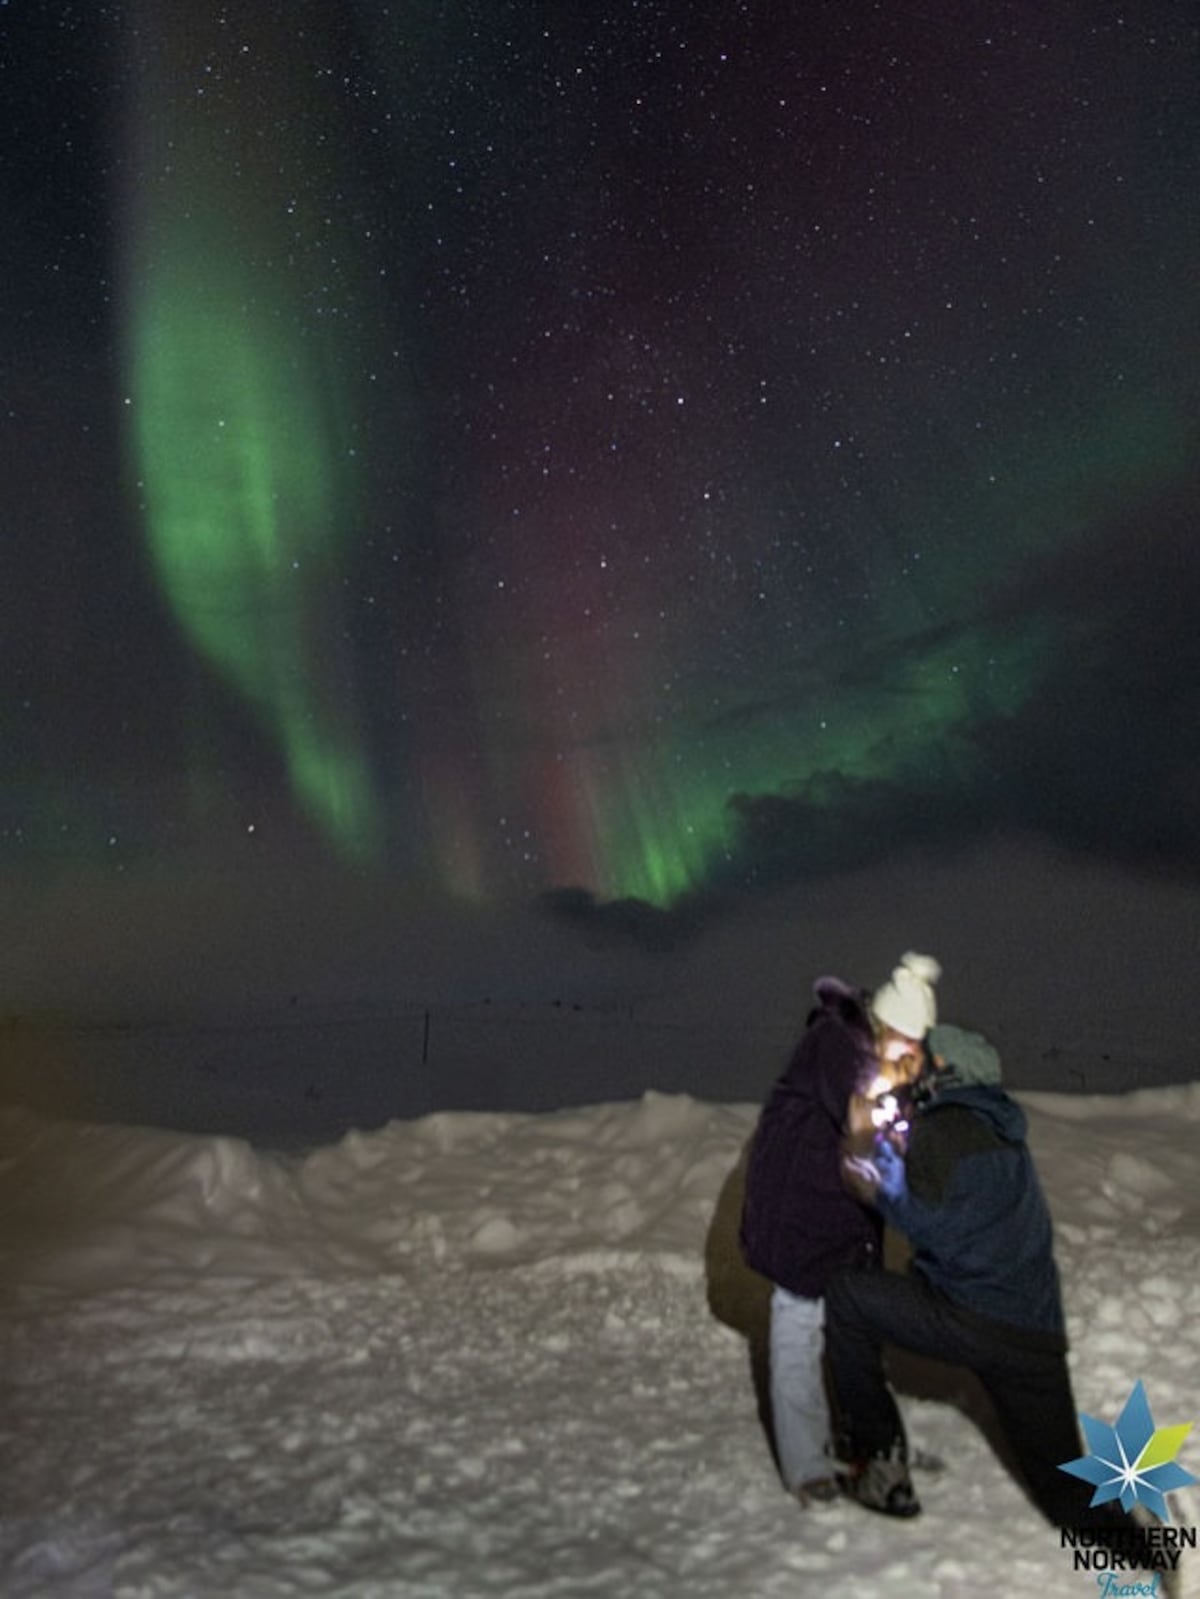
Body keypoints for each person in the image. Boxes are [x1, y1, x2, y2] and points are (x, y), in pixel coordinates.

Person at [829, 1023, 1164, 1552]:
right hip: (1034, 1334)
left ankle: (876, 1457)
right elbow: (966, 1209)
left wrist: (872, 1165)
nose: (914, 1076)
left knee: (848, 1297)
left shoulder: (946, 1129)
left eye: (925, 1065)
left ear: (945, 1074)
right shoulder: (1002, 1130)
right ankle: (1155, 1544)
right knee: (1061, 1490)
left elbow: (921, 1216)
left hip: (968, 1316)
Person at [738, 953, 941, 1505]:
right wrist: (899, 1091)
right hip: (798, 1216)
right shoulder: (836, 1045)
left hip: (849, 1220)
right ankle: (806, 1467)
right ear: (882, 1026)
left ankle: (866, 1446)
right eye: (904, 1042)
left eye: (917, 1046)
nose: (910, 1055)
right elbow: (865, 1111)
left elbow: (892, 1138)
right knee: (799, 1328)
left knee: (855, 1330)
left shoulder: (879, 1061)